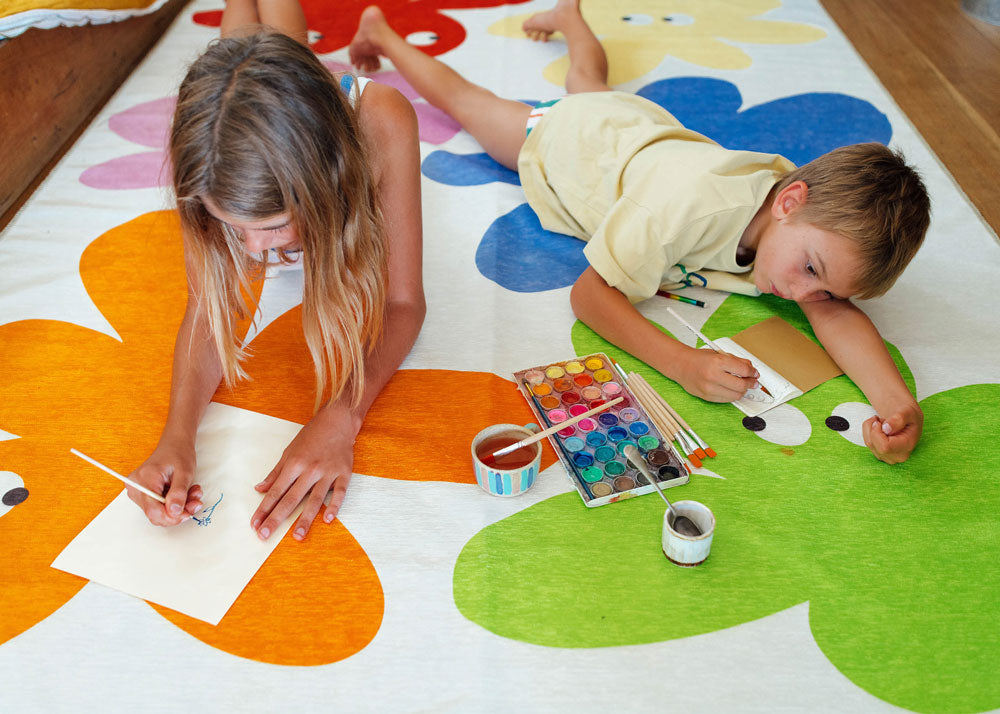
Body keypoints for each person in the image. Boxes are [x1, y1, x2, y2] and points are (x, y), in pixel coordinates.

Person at [349, 0, 930, 465]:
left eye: (824, 290)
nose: (806, 299)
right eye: (811, 273)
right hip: (565, 142)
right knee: (471, 102)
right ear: (789, 201)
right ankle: (384, 32)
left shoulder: (799, 227)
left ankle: (571, 18)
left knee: (591, 80)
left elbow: (835, 311)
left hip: (639, 131)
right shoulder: (680, 212)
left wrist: (897, 404)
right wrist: (681, 363)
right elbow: (589, 295)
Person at [126, 0, 425, 539]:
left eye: (272, 226)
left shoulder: (383, 119)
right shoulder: (210, 145)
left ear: (325, 183)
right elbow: (210, 306)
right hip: (255, 116)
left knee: (285, 57)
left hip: (336, 127)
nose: (252, 249)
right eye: (232, 227)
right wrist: (177, 434)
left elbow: (404, 303)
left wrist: (342, 415)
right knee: (236, 59)